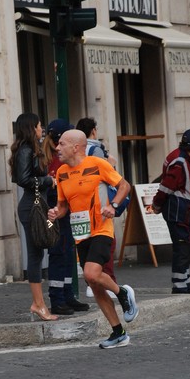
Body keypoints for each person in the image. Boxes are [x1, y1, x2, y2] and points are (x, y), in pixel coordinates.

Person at [48, 129, 138, 349]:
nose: (57, 148)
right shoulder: (61, 173)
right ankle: (119, 333)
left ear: (75, 147)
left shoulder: (98, 164)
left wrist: (113, 205)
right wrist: (55, 213)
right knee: (95, 284)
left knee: (91, 273)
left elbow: (124, 186)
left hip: (102, 229)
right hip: (81, 234)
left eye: (61, 144)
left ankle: (122, 292)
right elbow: (63, 206)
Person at [9, 113, 58, 322]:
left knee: (40, 251)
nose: (42, 129)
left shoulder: (30, 149)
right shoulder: (26, 150)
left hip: (37, 205)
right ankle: (38, 304)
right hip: (32, 208)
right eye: (39, 126)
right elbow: (23, 179)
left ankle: (39, 303)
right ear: (31, 128)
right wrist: (47, 180)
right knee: (36, 254)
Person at [42, 118, 89, 315]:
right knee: (58, 254)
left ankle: (68, 295)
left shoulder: (58, 158)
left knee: (68, 254)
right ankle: (57, 298)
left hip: (68, 212)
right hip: (55, 213)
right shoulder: (50, 160)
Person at [152, 128, 190, 294]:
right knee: (182, 248)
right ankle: (180, 285)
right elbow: (166, 186)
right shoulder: (180, 161)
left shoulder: (182, 157)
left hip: (182, 211)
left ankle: (184, 282)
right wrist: (156, 204)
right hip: (179, 211)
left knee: (185, 247)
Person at [76, 117, 118, 296]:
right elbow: (112, 176)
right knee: (107, 245)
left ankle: (93, 283)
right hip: (100, 207)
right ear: (93, 131)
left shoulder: (75, 155)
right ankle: (108, 284)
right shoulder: (97, 150)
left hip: (81, 210)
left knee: (86, 244)